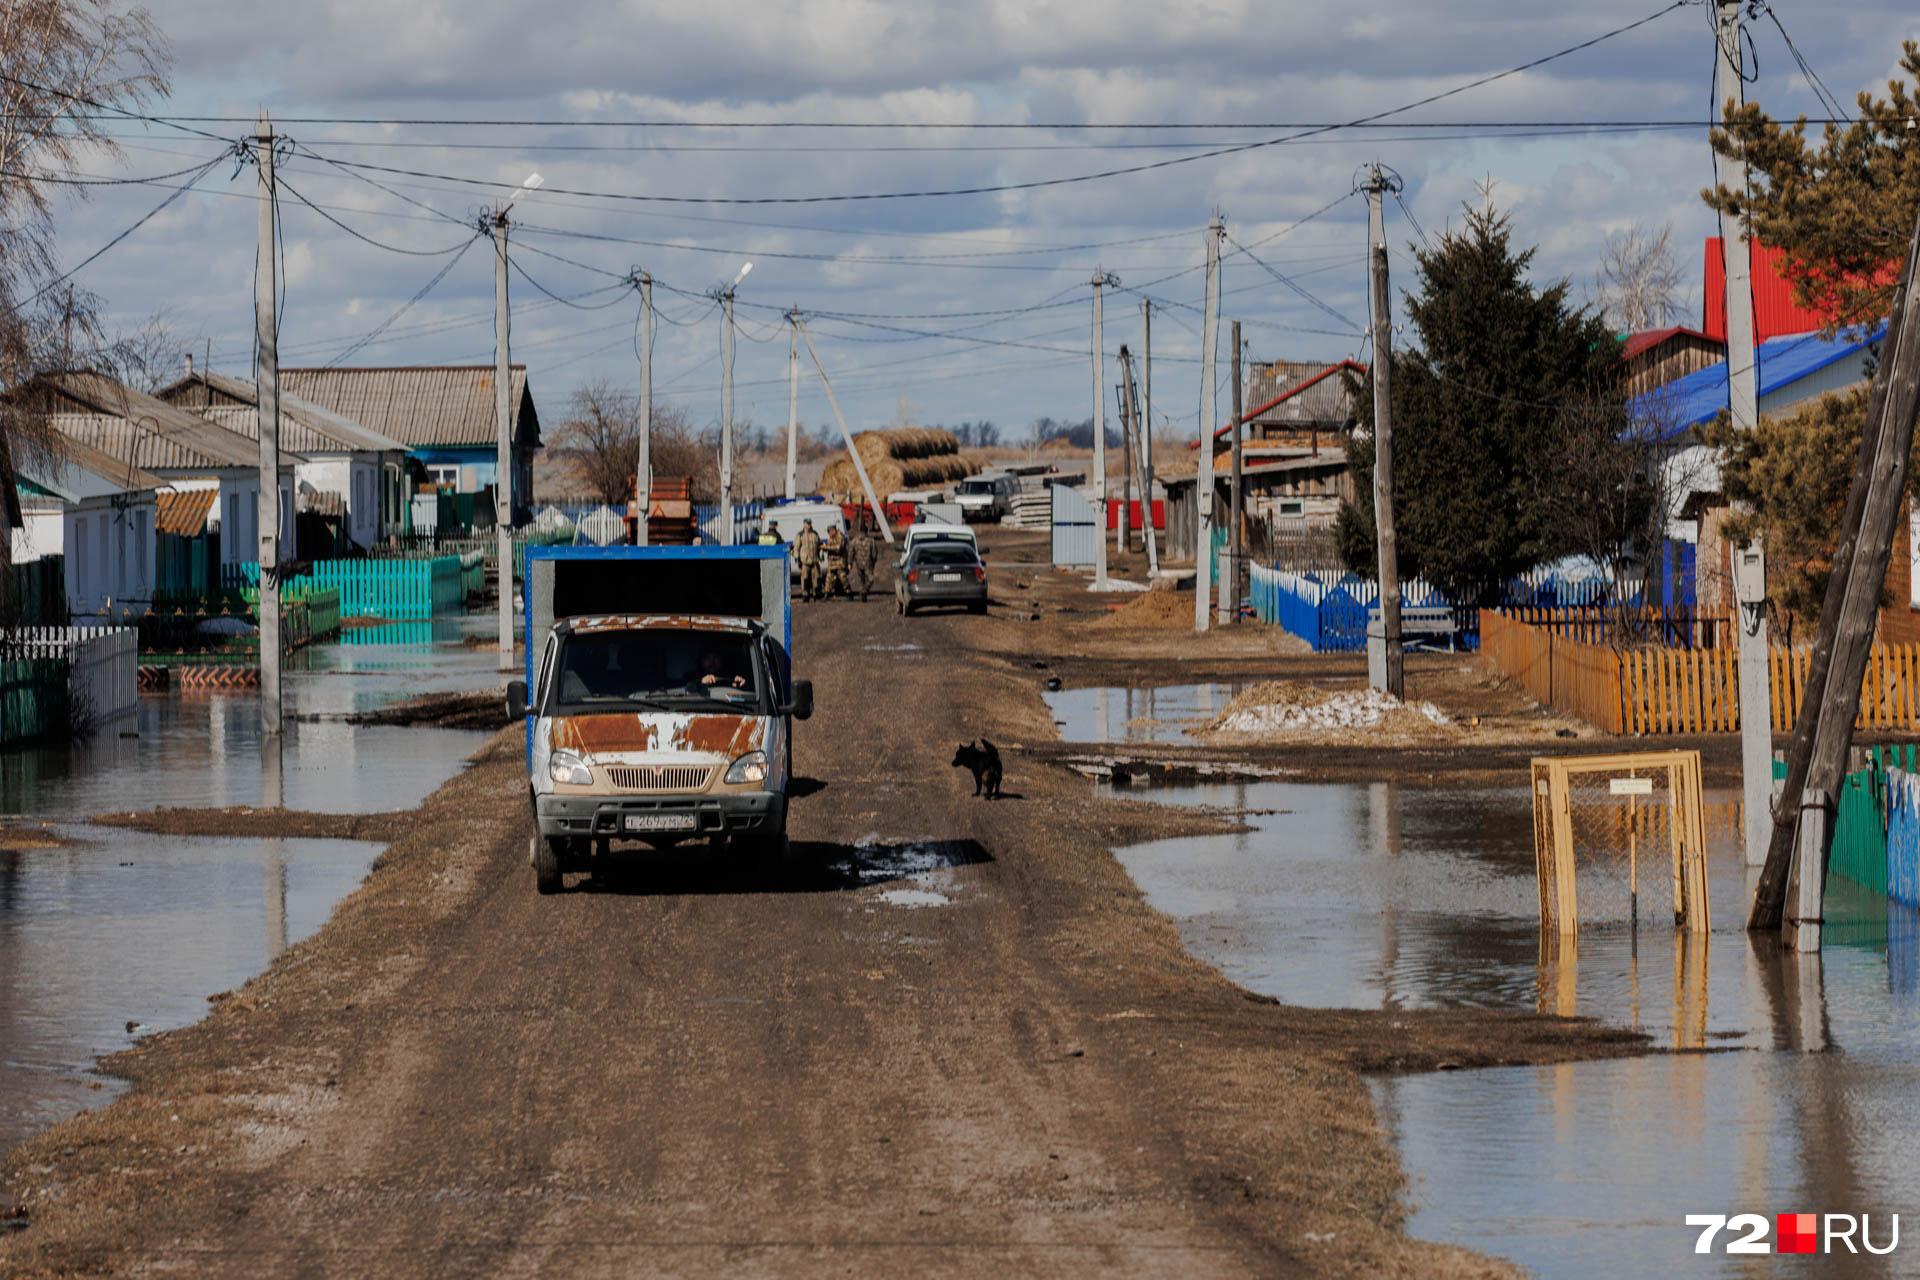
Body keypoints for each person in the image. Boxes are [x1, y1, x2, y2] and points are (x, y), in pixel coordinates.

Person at [848, 523, 879, 601]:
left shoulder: (854, 541)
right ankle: (864, 591)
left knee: (862, 580)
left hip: (858, 564)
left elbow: (851, 553)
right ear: (866, 531)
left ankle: (863, 593)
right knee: (870, 579)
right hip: (868, 564)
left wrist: (850, 563)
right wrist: (873, 562)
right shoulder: (871, 541)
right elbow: (874, 553)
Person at [795, 519, 823, 602]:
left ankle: (816, 594)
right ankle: (805, 594)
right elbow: (796, 547)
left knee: (816, 578)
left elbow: (819, 546)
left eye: (810, 523)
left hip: (814, 560)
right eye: (807, 524)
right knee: (805, 578)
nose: (809, 525)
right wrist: (797, 558)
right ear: (804, 524)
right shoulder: (800, 535)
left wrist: (820, 556)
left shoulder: (815, 534)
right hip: (805, 561)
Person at [822, 526, 849, 599]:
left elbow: (838, 548)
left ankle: (848, 592)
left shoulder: (840, 537)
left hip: (839, 562)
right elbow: (830, 547)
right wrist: (824, 548)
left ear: (833, 530)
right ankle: (826, 594)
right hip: (832, 563)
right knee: (828, 579)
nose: (829, 534)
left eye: (829, 532)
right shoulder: (830, 538)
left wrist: (827, 547)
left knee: (843, 578)